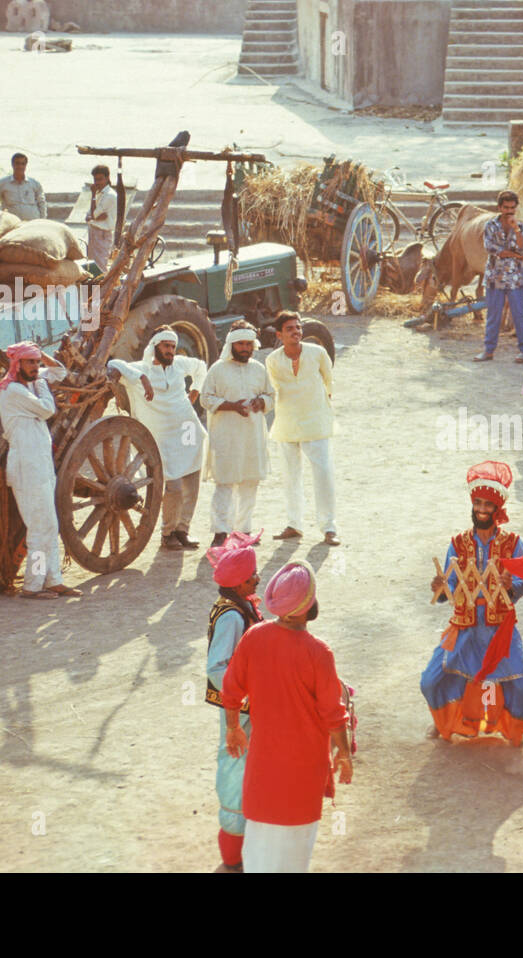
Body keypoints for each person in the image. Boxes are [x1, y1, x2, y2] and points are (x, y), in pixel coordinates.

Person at [222, 561, 352, 873]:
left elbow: (230, 688)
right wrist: (344, 753)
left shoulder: (255, 637)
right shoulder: (319, 653)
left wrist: (232, 728)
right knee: (294, 857)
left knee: (259, 850)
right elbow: (334, 716)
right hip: (303, 774)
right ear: (310, 605)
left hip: (263, 770)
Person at [421, 461, 523, 745]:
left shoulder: (513, 544)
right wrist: (441, 588)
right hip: (465, 626)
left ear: (498, 510)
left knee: (522, 688)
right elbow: (450, 588)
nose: (482, 509)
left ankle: (514, 732)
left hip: (499, 629)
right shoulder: (457, 544)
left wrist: (511, 587)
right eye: (478, 503)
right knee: (431, 680)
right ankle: (445, 723)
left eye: (489, 505)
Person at [0, 342, 81, 600]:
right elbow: (47, 409)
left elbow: (60, 372)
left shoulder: (29, 383)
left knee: (48, 524)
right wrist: (41, 381)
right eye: (30, 362)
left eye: (36, 362)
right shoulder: (14, 391)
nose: (36, 367)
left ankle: (53, 580)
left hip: (39, 464)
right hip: (27, 467)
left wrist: (42, 356)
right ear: (16, 365)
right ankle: (32, 586)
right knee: (40, 527)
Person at [107, 329, 208, 550]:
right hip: (163, 439)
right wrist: (142, 378)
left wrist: (195, 391)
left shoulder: (179, 365)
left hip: (188, 431)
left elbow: (200, 367)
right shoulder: (140, 369)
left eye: (173, 346)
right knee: (173, 488)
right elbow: (113, 364)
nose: (170, 351)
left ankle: (183, 530)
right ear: (155, 346)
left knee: (191, 483)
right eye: (166, 346)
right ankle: (168, 532)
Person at [203, 535, 262, 872]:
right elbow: (216, 667)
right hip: (238, 711)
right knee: (235, 769)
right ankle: (233, 856)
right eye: (253, 576)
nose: (257, 579)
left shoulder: (238, 606)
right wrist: (248, 695)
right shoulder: (232, 618)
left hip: (241, 706)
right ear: (240, 583)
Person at [265, 312, 338, 546]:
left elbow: (329, 381)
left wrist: (320, 404)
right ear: (279, 335)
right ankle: (294, 524)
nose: (296, 332)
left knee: (323, 474)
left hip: (315, 421)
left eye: (298, 328)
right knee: (290, 475)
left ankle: (329, 528)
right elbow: (273, 388)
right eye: (290, 329)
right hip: (286, 422)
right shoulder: (273, 360)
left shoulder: (317, 353)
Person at [200, 324, 273, 547]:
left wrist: (263, 402)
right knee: (225, 483)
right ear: (231, 345)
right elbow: (205, 398)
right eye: (240, 344)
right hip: (226, 436)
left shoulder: (259, 369)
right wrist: (231, 406)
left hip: (252, 435)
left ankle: (244, 530)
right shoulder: (217, 369)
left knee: (250, 482)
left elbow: (271, 395)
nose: (244, 348)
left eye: (248, 344)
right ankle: (221, 532)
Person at [476, 190, 523, 364]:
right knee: (493, 314)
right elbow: (491, 248)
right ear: (500, 207)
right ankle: (489, 349)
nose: (509, 211)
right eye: (506, 207)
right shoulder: (490, 226)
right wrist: (514, 255)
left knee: (519, 314)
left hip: (516, 278)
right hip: (495, 276)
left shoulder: (521, 228)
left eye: (512, 207)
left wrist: (515, 230)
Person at [0, 153, 47, 221]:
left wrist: (42, 220)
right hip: (12, 223)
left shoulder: (35, 183)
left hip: (32, 222)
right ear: (12, 164)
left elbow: (41, 203)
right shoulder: (1, 184)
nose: (20, 166)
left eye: (23, 164)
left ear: (26, 165)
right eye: (17, 163)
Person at [85, 165, 117, 270]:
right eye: (95, 179)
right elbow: (91, 215)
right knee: (91, 265)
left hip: (102, 233)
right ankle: (93, 287)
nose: (97, 182)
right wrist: (94, 217)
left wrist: (93, 194)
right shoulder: (100, 193)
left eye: (100, 179)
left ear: (107, 178)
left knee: (100, 265)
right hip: (94, 231)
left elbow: (94, 215)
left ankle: (100, 287)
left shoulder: (110, 195)